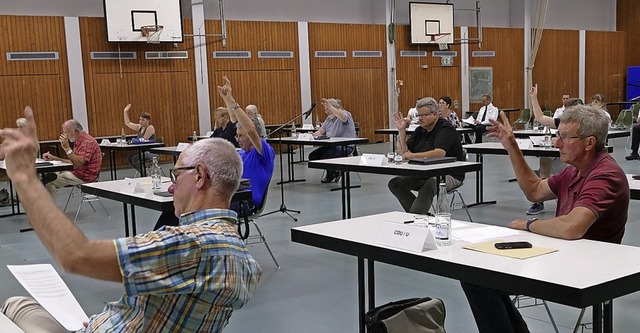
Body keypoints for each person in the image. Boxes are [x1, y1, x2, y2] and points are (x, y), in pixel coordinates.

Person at [0, 107, 262, 332]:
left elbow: (75, 255)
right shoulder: (244, 261)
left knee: (14, 304)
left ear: (199, 176)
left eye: (176, 174)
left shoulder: (189, 245)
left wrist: (24, 178)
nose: (172, 187)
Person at [461, 106, 629, 333]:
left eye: (565, 137)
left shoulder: (604, 174)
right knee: (475, 274)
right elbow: (535, 191)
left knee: (478, 278)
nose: (556, 143)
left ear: (589, 143)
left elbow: (571, 227)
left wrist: (528, 224)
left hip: (589, 266)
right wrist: (511, 146)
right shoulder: (574, 170)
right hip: (563, 252)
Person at [153, 77, 275, 230]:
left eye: (241, 136)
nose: (238, 139)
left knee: (193, 207)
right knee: (176, 205)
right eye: (237, 135)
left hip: (244, 202)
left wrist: (232, 99)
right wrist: (226, 99)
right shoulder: (240, 154)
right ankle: (160, 241)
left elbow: (249, 129)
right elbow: (234, 121)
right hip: (227, 195)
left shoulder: (264, 153)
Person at [387, 97, 465, 214]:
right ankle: (422, 216)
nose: (420, 119)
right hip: (424, 172)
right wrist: (402, 131)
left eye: (424, 115)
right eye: (419, 116)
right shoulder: (420, 130)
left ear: (435, 114)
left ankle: (416, 217)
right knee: (395, 183)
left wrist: (412, 156)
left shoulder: (445, 128)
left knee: (432, 182)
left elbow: (439, 153)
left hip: (449, 174)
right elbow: (404, 152)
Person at [526, 87, 577, 215]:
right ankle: (539, 201)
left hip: (576, 158)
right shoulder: (563, 122)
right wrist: (534, 98)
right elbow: (540, 117)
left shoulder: (586, 125)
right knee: (545, 158)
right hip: (561, 154)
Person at [41, 119, 102, 197]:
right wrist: (55, 158)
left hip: (84, 177)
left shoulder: (87, 142)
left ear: (76, 131)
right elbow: (73, 161)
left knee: (49, 182)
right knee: (50, 175)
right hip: (77, 172)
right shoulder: (79, 140)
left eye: (67, 133)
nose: (66, 136)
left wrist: (67, 149)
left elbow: (78, 164)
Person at [310, 98, 357, 183]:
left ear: (334, 107)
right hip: (331, 145)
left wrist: (330, 107)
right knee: (313, 156)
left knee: (327, 156)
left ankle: (332, 174)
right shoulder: (328, 119)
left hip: (345, 146)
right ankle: (334, 172)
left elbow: (343, 117)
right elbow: (321, 131)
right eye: (325, 109)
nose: (326, 112)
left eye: (327, 109)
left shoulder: (346, 114)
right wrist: (310, 135)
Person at [122, 104, 157, 174]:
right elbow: (128, 123)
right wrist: (125, 111)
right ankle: (143, 173)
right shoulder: (139, 127)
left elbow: (143, 140)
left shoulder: (150, 127)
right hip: (143, 151)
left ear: (148, 121)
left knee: (135, 159)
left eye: (143, 120)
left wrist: (134, 141)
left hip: (152, 152)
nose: (140, 121)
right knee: (129, 158)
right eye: (140, 120)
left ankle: (144, 174)